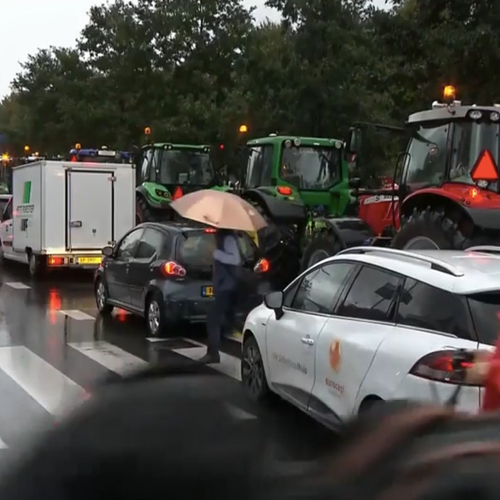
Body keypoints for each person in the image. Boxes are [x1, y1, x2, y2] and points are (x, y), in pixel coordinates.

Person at [199, 228, 242, 364]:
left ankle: (213, 353)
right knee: (229, 318)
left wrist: (216, 253)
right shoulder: (222, 236)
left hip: (227, 286)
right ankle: (228, 337)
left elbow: (235, 259)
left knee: (213, 318)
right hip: (224, 285)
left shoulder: (228, 237)